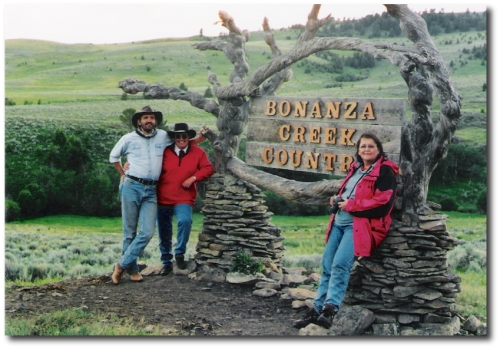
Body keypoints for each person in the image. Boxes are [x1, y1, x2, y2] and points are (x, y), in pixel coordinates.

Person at [293, 133, 399, 329]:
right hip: (338, 223)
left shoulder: (385, 172)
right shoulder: (356, 169)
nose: (366, 149)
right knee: (326, 265)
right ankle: (316, 310)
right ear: (358, 150)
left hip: (358, 226)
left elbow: (383, 205)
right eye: (363, 146)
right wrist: (337, 200)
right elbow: (348, 196)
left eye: (371, 146)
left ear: (379, 150)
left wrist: (351, 205)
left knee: (340, 265)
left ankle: (330, 310)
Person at [109, 106, 204, 285]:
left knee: (147, 231)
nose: (149, 121)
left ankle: (120, 266)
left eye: (151, 118)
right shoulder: (128, 138)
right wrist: (123, 173)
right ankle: (133, 269)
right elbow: (114, 157)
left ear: (156, 121)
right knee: (129, 232)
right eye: (145, 118)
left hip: (152, 189)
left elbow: (182, 142)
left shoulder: (163, 136)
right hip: (132, 186)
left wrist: (199, 138)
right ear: (139, 121)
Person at [156, 122, 214, 275]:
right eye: (178, 136)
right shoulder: (164, 152)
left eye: (184, 136)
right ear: (174, 138)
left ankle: (180, 253)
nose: (181, 139)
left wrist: (194, 178)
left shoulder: (198, 152)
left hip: (184, 197)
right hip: (163, 197)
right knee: (164, 230)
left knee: (185, 221)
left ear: (189, 137)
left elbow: (208, 168)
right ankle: (166, 261)